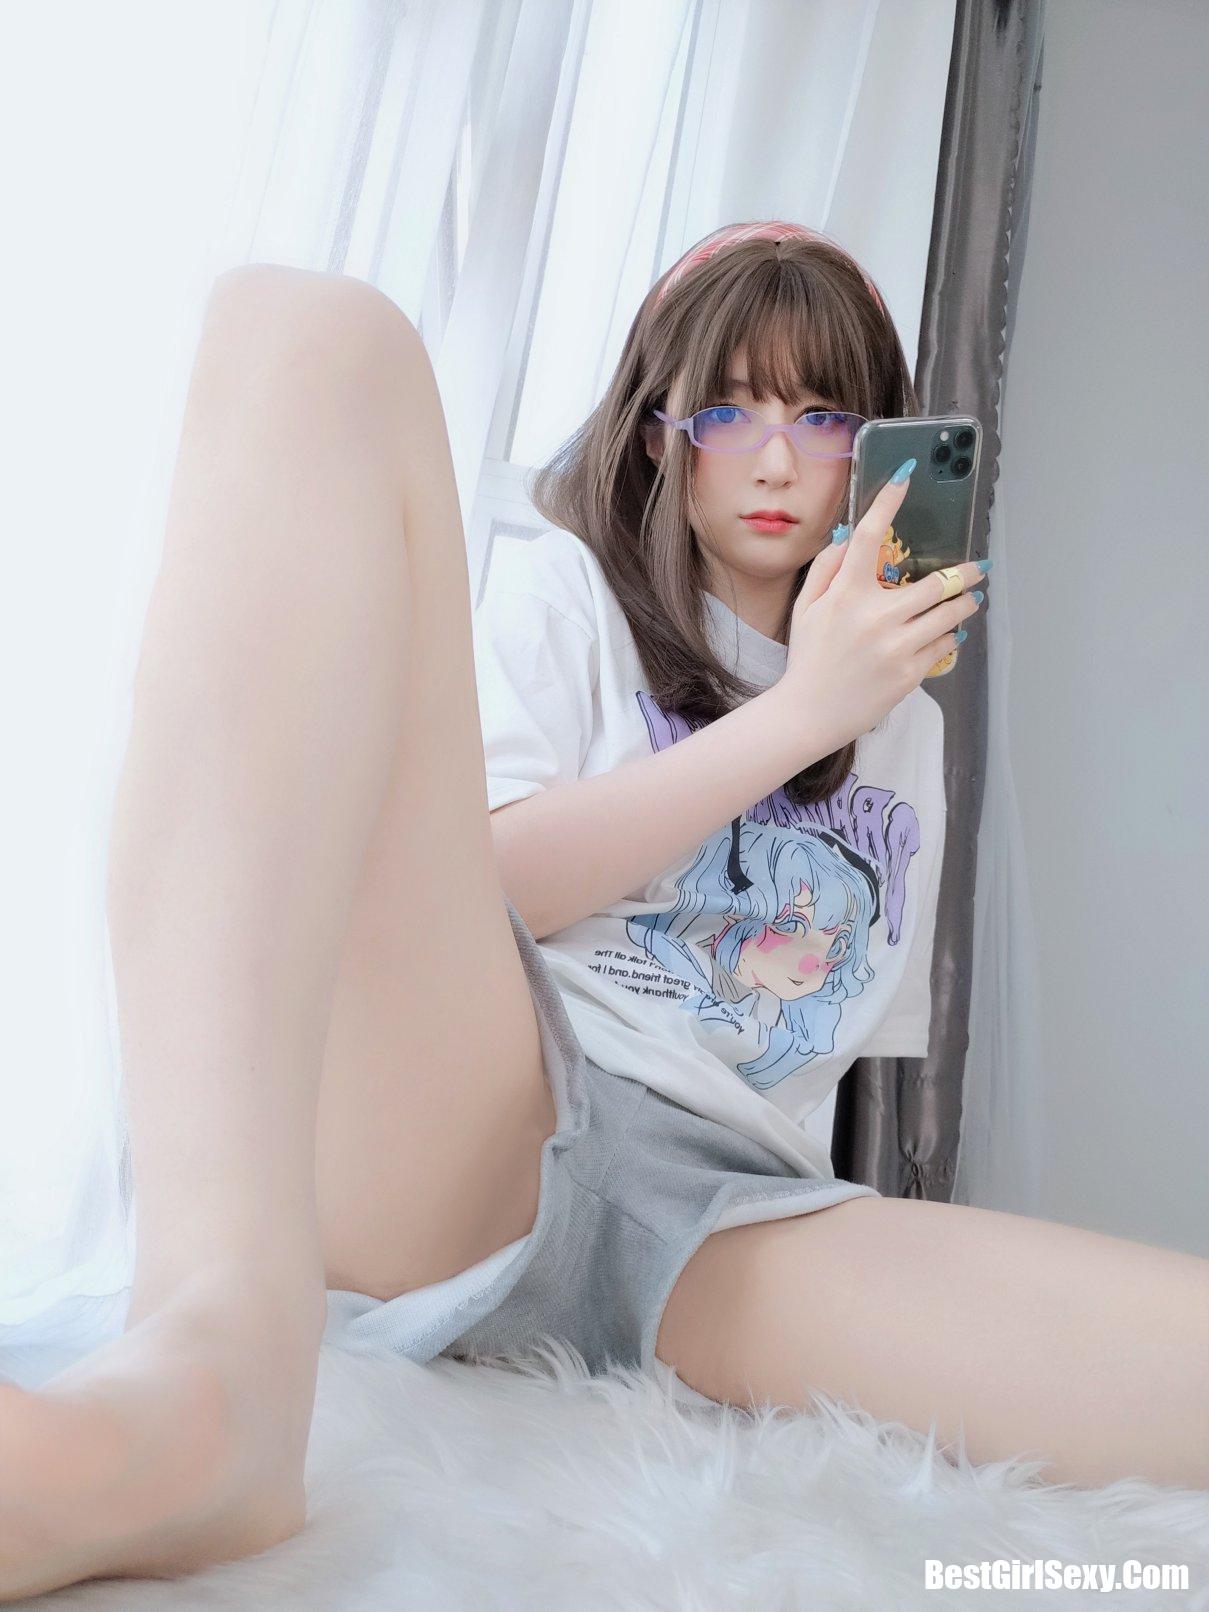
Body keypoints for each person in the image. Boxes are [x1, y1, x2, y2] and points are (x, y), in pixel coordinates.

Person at [1, 224, 1205, 1601]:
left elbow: (814, 1055)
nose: (773, 460)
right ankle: (208, 1370)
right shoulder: (567, 597)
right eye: (728, 412)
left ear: (874, 455)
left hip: (727, 1208)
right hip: (489, 1105)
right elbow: (489, 885)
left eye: (821, 416)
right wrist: (797, 714)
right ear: (657, 436)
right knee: (308, 328)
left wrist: (846, 706)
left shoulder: (904, 730)